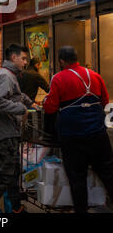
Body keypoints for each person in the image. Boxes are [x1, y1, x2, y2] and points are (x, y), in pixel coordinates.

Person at [43, 45, 113, 214]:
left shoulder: (59, 79)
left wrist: (46, 101)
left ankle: (81, 211)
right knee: (108, 173)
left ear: (61, 61)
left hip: (72, 137)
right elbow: (105, 102)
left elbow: (50, 108)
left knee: (77, 179)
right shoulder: (95, 75)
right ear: (77, 58)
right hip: (98, 134)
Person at [0, 44, 36, 214]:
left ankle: (16, 207)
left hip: (11, 131)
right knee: (4, 172)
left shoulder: (11, 75)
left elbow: (14, 95)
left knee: (13, 171)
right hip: (5, 132)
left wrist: (28, 101)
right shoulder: (6, 76)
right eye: (23, 58)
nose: (25, 62)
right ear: (13, 58)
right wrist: (21, 109)